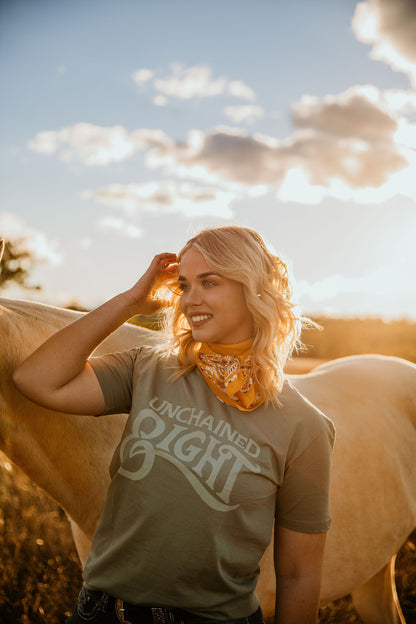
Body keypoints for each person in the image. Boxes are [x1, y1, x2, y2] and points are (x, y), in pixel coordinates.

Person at [13, 226, 335, 624]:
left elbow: (299, 576)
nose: (190, 299)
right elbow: (37, 380)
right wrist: (130, 302)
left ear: (255, 289)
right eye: (184, 285)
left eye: (209, 282)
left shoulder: (305, 426)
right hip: (101, 612)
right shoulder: (149, 367)